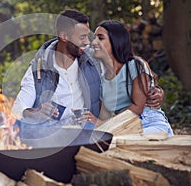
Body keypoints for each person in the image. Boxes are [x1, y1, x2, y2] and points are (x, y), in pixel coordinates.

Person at [11, 9, 164, 131]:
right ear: (64, 36)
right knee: (17, 127)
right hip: (50, 130)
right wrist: (35, 112)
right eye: (83, 37)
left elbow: (126, 67)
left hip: (87, 129)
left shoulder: (94, 59)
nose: (88, 42)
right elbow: (18, 108)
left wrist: (154, 90)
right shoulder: (38, 68)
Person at [89, 19, 173, 135]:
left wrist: (103, 124)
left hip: (148, 122)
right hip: (122, 127)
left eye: (100, 38)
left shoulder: (135, 65)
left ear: (116, 41)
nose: (94, 42)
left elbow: (137, 108)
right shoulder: (102, 80)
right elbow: (104, 116)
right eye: (94, 38)